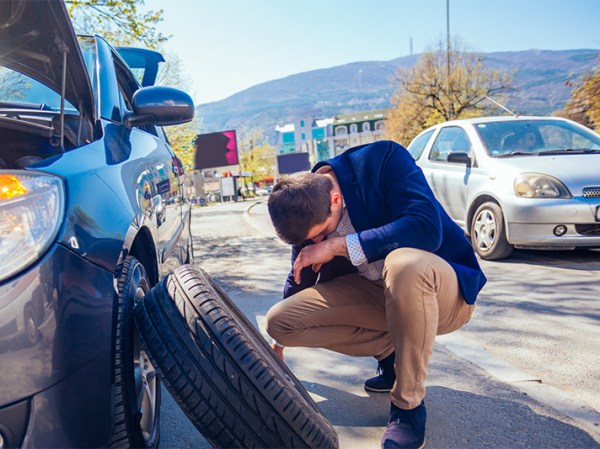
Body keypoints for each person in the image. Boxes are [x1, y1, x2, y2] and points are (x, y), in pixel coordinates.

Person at [265, 140, 486, 449]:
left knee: (404, 264)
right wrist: (276, 344)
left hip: (442, 293)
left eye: (320, 233)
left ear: (336, 198)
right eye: (311, 239)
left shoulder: (382, 160)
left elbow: (425, 228)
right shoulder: (305, 203)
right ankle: (389, 355)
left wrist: (337, 245)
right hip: (376, 295)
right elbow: (301, 271)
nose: (316, 241)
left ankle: (408, 407)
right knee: (280, 321)